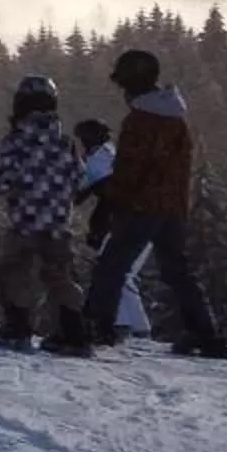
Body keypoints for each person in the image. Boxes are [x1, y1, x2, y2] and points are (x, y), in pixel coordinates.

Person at [82, 49, 227, 357]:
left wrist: (112, 205)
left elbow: (129, 169)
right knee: (178, 270)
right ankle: (205, 334)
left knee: (112, 266)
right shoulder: (176, 119)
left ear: (132, 84)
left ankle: (96, 328)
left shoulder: (140, 120)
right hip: (173, 208)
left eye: (123, 84)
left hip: (140, 207)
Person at [0, 73, 89, 356]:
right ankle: (73, 333)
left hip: (24, 220)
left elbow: (5, 176)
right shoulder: (67, 142)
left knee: (16, 272)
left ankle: (18, 328)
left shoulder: (16, 139)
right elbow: (80, 178)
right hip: (58, 222)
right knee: (60, 275)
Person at [73, 115, 150, 341]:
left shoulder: (101, 159)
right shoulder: (109, 155)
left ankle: (132, 327)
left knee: (118, 272)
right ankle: (131, 325)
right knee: (120, 273)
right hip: (138, 220)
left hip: (125, 223)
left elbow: (82, 190)